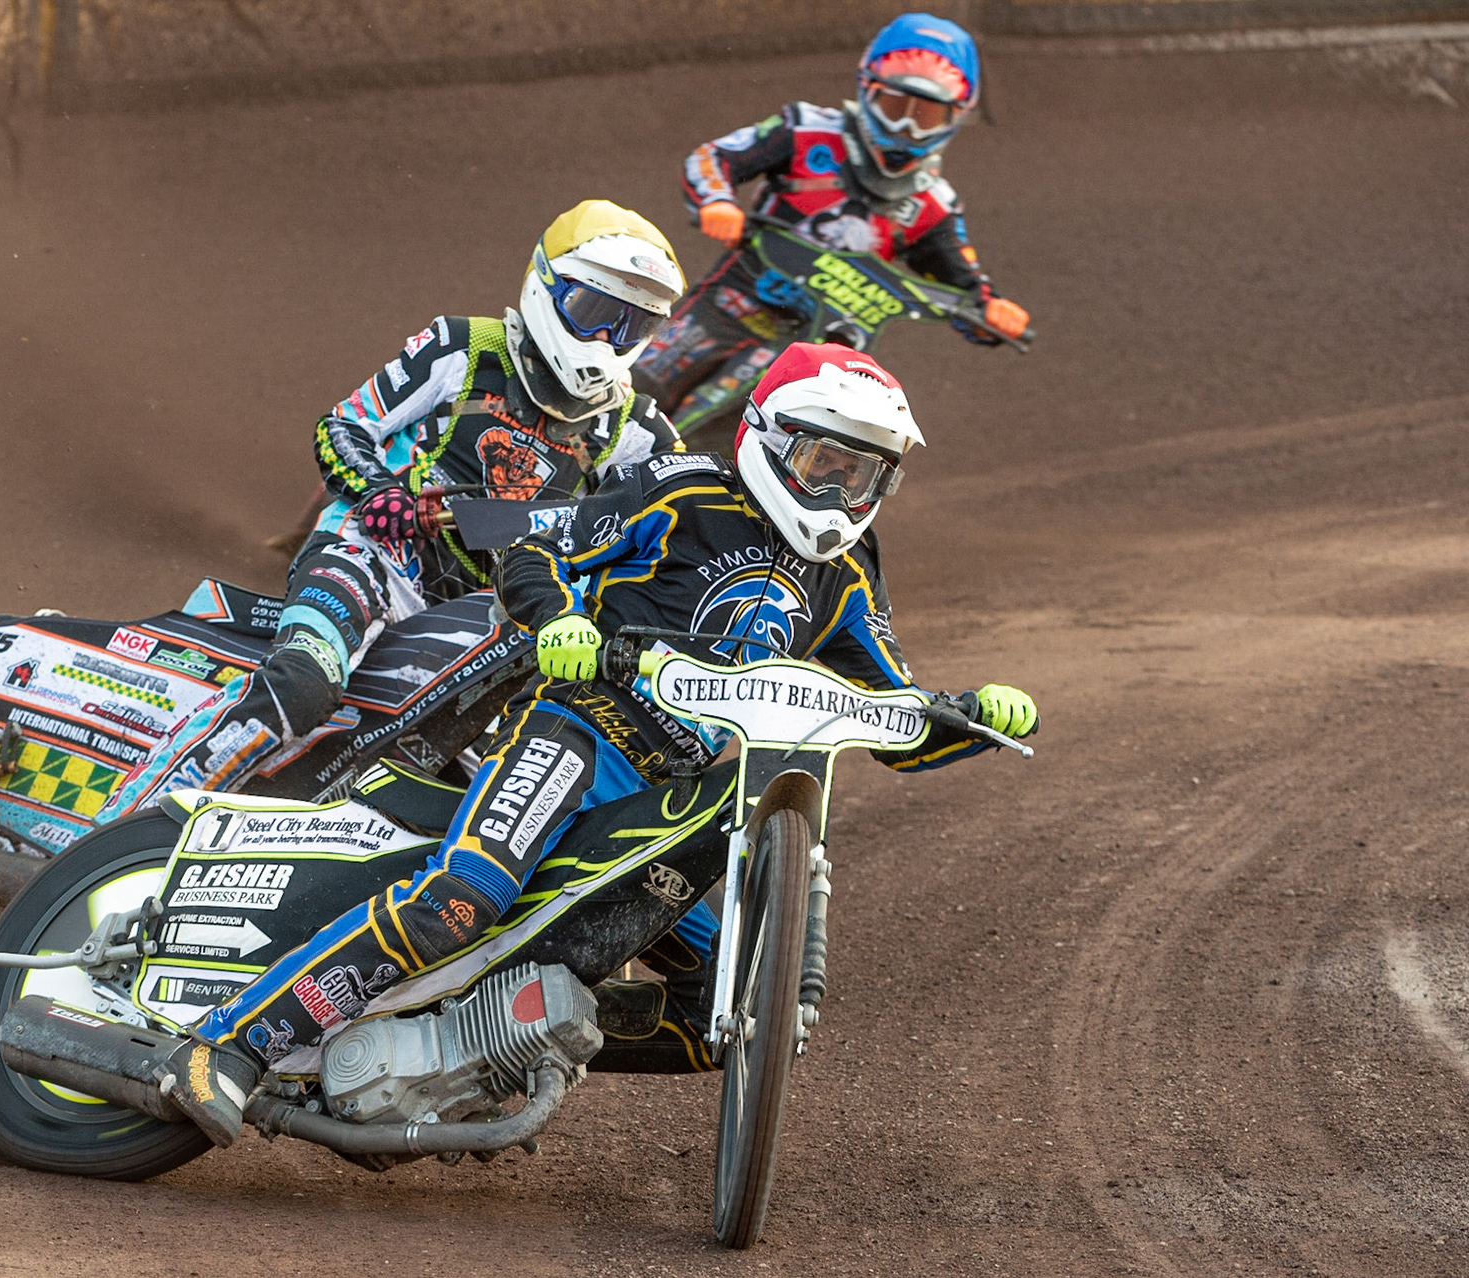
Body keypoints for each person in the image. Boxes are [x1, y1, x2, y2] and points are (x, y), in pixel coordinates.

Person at [170, 341, 1039, 1144]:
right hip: (578, 729)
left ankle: (489, 1045)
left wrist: (972, 718)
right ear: (770, 442)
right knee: (459, 902)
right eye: (824, 464)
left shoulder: (848, 572)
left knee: (726, 1009)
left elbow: (893, 719)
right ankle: (228, 1048)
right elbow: (536, 556)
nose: (838, 495)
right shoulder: (685, 490)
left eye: (864, 477)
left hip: (674, 795)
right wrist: (561, 623)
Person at [92, 200, 688, 818]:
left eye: (631, 326)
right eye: (594, 312)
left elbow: (673, 534)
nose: (605, 340)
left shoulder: (639, 428)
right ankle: (114, 831)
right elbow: (344, 426)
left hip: (492, 614)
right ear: (546, 288)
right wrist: (380, 493)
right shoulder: (463, 348)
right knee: (301, 685)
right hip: (377, 557)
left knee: (499, 781)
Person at [632, 13, 1031, 417]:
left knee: (769, 437)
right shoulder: (806, 130)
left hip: (819, 348)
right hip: (732, 302)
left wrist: (991, 311)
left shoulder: (935, 206)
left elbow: (963, 285)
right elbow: (713, 158)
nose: (907, 126)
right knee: (634, 388)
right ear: (867, 88)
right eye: (895, 106)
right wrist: (716, 201)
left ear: (955, 115)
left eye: (925, 115)